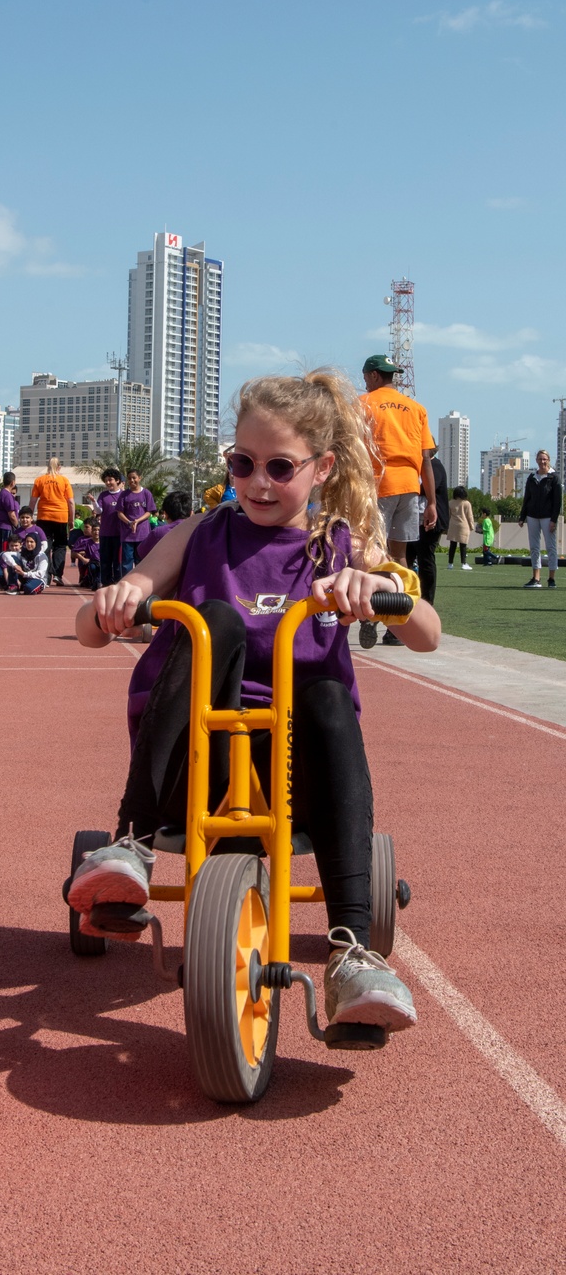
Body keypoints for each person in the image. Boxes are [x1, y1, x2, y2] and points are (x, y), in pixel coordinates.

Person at [69, 369, 441, 1038]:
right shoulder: (200, 533)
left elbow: (428, 635)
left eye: (278, 466)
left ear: (322, 466)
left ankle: (352, 948)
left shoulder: (343, 544)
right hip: (195, 762)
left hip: (294, 771)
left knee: (328, 693)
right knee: (215, 623)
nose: (258, 483)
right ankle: (131, 840)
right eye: (242, 464)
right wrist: (116, 601)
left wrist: (376, 586)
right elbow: (91, 632)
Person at [358, 355, 436, 649]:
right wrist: (431, 502)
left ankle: (370, 616)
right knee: (401, 557)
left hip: (379, 484)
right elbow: (426, 458)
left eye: (366, 377)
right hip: (410, 487)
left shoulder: (363, 403)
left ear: (374, 376)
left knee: (370, 552)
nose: (365, 381)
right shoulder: (416, 408)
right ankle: (398, 626)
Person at [404, 451, 448, 612]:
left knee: (425, 559)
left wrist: (406, 485)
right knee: (408, 558)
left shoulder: (435, 466)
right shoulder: (420, 466)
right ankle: (409, 596)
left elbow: (427, 487)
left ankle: (427, 600)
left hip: (428, 522)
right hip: (414, 520)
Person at [30, 457, 74, 586]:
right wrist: (71, 519)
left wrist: (30, 517)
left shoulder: (40, 480)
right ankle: (58, 574)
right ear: (59, 467)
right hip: (61, 516)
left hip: (44, 516)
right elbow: (70, 502)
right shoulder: (64, 480)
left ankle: (46, 575)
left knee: (45, 546)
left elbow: (33, 501)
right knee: (60, 546)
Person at [520, 450, 560, 589]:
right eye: (540, 459)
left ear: (548, 460)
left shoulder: (554, 477)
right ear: (536, 460)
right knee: (534, 547)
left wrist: (554, 520)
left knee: (551, 547)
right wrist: (522, 516)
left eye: (545, 459)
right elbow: (527, 497)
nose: (542, 462)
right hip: (532, 516)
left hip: (548, 517)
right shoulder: (532, 477)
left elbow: (557, 501)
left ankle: (551, 578)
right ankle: (536, 578)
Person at [117, 470, 155, 575]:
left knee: (141, 561)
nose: (132, 480)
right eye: (129, 478)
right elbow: (119, 513)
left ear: (139, 478)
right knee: (126, 563)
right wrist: (129, 522)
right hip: (127, 535)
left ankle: (141, 585)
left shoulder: (146, 493)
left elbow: (149, 512)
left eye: (134, 478)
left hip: (142, 534)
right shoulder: (124, 495)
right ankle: (126, 583)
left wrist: (137, 521)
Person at [137, 490, 193, 561]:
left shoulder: (158, 533)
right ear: (191, 513)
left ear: (165, 514)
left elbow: (141, 553)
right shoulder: (200, 533)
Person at [0, 531, 49, 595]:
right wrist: (14, 565)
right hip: (24, 577)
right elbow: (5, 555)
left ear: (36, 542)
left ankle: (28, 587)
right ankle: (13, 586)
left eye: (31, 542)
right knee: (13, 558)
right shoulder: (22, 553)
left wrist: (24, 574)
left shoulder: (42, 556)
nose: (29, 544)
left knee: (28, 589)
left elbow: (40, 574)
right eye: (27, 542)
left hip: (38, 579)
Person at [94, 468, 125, 587]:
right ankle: (105, 583)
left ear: (117, 480)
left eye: (110, 480)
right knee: (105, 561)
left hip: (120, 534)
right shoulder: (103, 495)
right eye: (106, 480)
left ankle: (118, 583)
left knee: (118, 561)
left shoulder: (124, 495)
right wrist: (93, 502)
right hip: (105, 533)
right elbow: (99, 510)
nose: (108, 483)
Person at [0, 472, 20, 553]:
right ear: (13, 482)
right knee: (5, 550)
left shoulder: (1, 493)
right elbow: (11, 514)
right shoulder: (7, 495)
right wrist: (17, 526)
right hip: (6, 527)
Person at [446, 486, 474, 569]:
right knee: (463, 545)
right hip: (463, 525)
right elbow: (470, 516)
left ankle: (450, 564)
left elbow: (448, 515)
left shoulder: (450, 503)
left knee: (452, 545)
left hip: (453, 525)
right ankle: (463, 563)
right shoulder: (466, 503)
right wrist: (471, 526)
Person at [74, 519, 101, 590]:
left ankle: (98, 582)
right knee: (92, 567)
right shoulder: (84, 541)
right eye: (84, 527)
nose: (84, 530)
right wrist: (84, 557)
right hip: (89, 563)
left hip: (100, 562)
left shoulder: (103, 541)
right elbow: (74, 553)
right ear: (92, 531)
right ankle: (88, 579)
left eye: (87, 527)